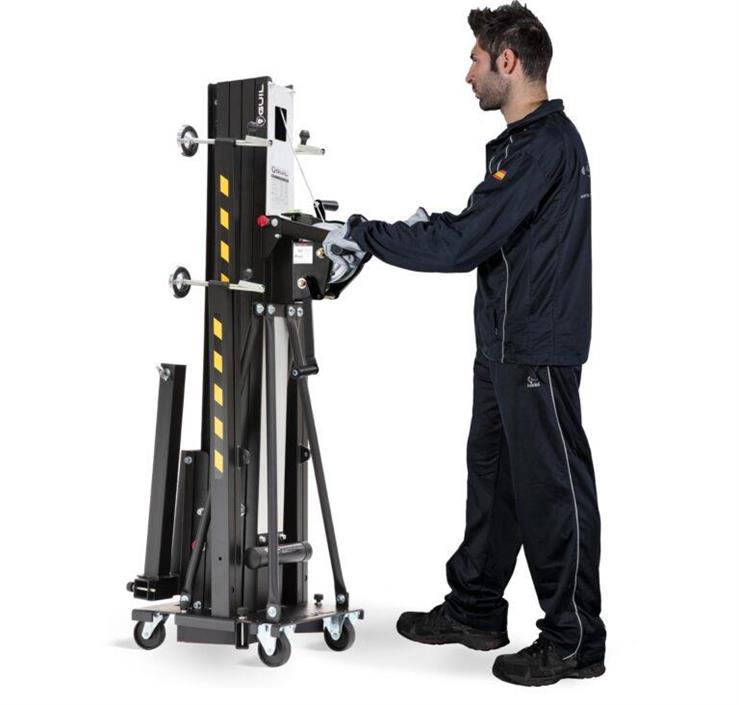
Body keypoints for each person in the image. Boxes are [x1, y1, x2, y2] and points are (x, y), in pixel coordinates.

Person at [323, 2, 606, 687]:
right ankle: (476, 607)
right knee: (494, 476)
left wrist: (369, 235)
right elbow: (478, 228)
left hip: (535, 345)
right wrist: (388, 233)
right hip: (504, 341)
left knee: (551, 490)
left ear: (508, 61)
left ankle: (574, 639)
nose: (467, 74)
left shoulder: (543, 144)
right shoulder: (521, 146)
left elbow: (463, 243)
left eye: (476, 60)